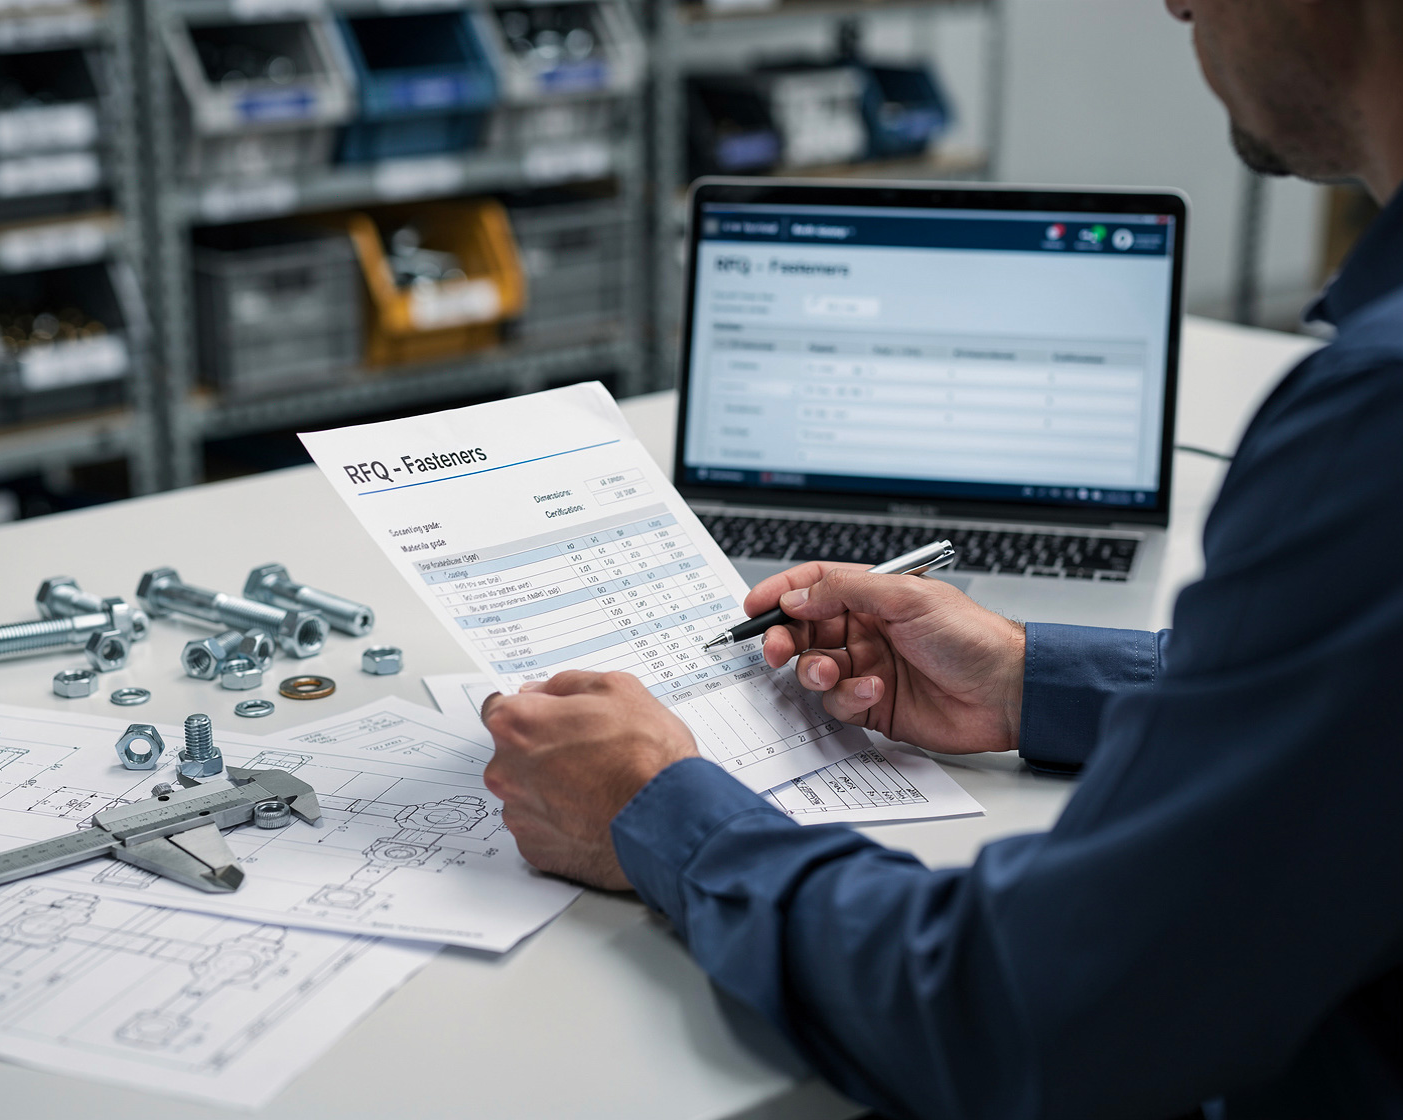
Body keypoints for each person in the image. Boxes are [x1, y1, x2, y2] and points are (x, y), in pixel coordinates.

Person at [478, 1, 1403, 1116]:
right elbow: (1357, 717)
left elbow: (1022, 1012)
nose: (1173, 3)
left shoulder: (1375, 424)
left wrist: (653, 806)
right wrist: (1029, 676)